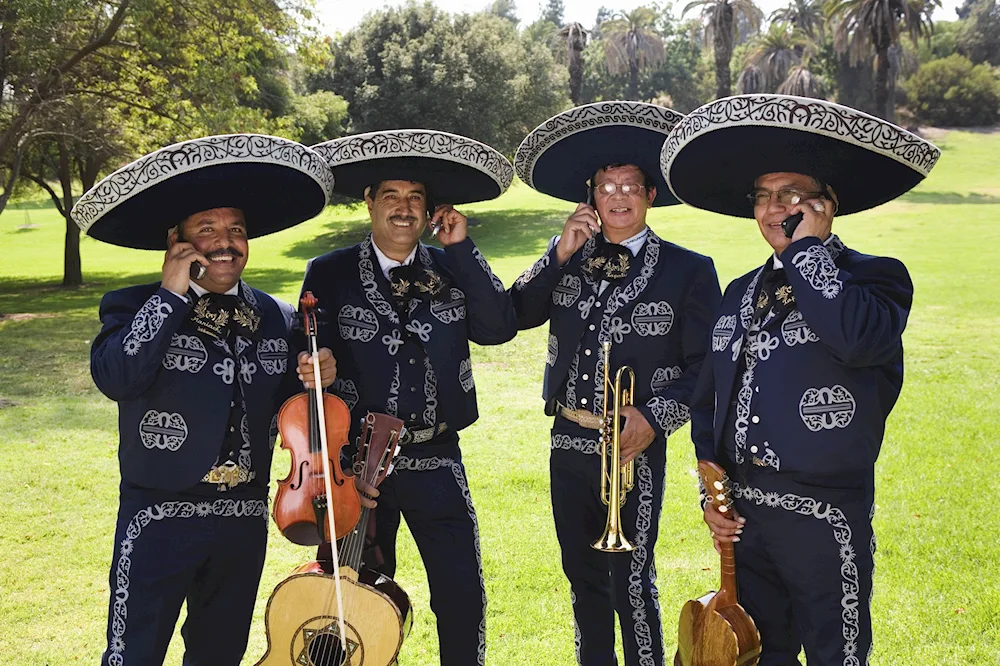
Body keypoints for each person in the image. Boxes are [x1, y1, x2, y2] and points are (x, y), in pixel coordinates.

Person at [660, 94, 941, 665]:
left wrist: (808, 251)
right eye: (763, 197)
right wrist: (711, 494)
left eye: (789, 195)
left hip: (825, 517)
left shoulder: (875, 278)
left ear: (824, 205)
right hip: (747, 518)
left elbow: (858, 339)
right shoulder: (740, 291)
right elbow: (708, 399)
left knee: (836, 654)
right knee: (759, 654)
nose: (771, 209)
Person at [72, 133, 341, 665]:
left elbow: (296, 418)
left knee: (220, 655)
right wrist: (170, 295)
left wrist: (318, 378)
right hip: (158, 518)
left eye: (236, 230)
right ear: (178, 240)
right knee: (134, 655)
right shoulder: (132, 305)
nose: (225, 242)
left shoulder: (280, 318)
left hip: (240, 520)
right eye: (208, 229)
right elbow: (116, 377)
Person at [510, 101, 722, 666]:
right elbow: (513, 313)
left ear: (651, 196)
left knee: (631, 579)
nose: (620, 196)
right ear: (592, 196)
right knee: (582, 577)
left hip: (636, 446)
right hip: (568, 439)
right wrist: (558, 253)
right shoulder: (569, 256)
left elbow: (709, 367)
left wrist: (655, 418)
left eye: (632, 186)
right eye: (608, 186)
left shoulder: (689, 269)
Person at [304, 129, 518, 666]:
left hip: (435, 454)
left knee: (461, 592)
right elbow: (301, 359)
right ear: (369, 203)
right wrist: (310, 367)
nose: (404, 209)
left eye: (415, 198)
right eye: (392, 197)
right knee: (352, 595)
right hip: (356, 465)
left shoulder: (451, 266)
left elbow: (498, 326)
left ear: (430, 210)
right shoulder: (328, 273)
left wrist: (462, 248)